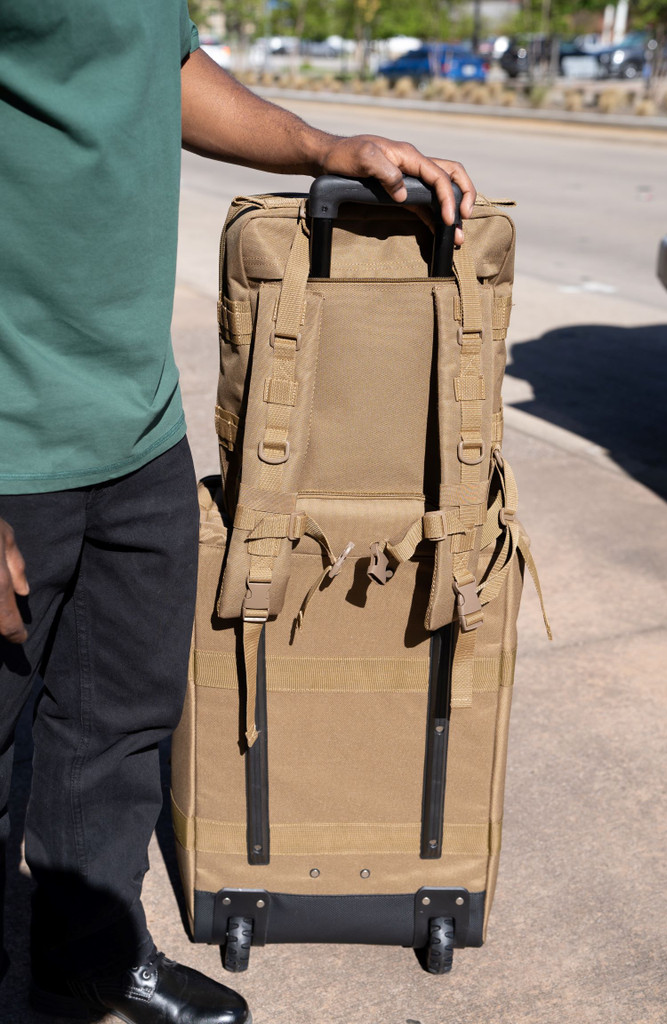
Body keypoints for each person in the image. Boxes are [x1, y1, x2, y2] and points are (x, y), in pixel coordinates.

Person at [0, 3, 475, 1022]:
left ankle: (92, 958)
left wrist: (320, 145)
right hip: (11, 439)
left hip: (132, 419)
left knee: (118, 725)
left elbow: (158, 64)